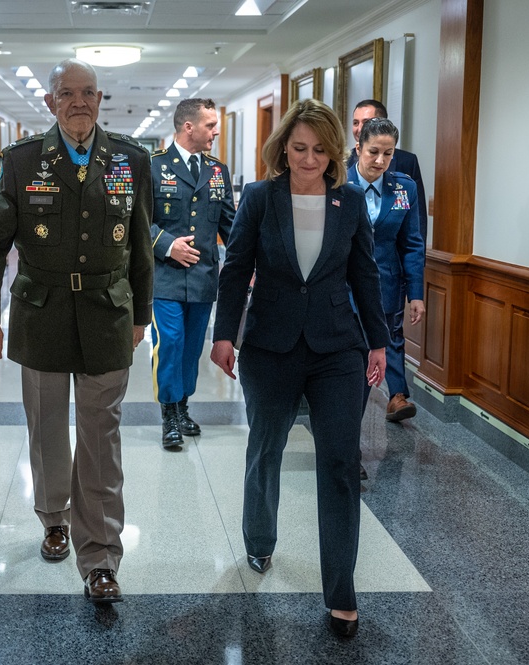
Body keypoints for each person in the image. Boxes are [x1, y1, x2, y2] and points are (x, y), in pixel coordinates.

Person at [0, 59, 152, 604]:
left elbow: (141, 246)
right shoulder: (21, 161)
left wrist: (141, 315)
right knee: (48, 428)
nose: (79, 101)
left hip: (107, 312)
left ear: (100, 100)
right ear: (50, 103)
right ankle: (54, 517)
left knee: (100, 439)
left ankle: (99, 558)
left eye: (88, 93)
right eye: (67, 93)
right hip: (40, 311)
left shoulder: (128, 159)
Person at [210, 99, 388, 638]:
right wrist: (224, 333)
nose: (308, 159)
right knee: (266, 446)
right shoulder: (262, 199)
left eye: (319, 150)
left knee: (339, 463)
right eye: (299, 147)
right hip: (271, 345)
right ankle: (260, 542)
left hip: (337, 349)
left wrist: (377, 342)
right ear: (283, 147)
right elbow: (236, 265)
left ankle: (341, 592)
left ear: (335, 153)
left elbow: (365, 275)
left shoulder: (350, 202)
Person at [150, 98, 235, 449]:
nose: (216, 131)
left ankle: (183, 406)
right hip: (165, 276)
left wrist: (259, 260)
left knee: (190, 349)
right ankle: (168, 414)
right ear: (189, 127)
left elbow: (232, 225)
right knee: (169, 341)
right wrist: (168, 245)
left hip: (203, 278)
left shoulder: (217, 171)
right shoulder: (152, 166)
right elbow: (136, 220)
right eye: (210, 125)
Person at [348, 117, 426, 422]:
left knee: (373, 359)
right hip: (343, 291)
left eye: (388, 153)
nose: (381, 160)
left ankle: (349, 444)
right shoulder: (337, 184)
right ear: (358, 148)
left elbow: (412, 244)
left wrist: (416, 293)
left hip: (386, 290)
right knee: (350, 368)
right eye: (373, 152)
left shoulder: (404, 189)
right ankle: (345, 445)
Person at [347, 99, 429, 244]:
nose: (359, 129)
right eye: (355, 123)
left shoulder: (406, 162)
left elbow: (417, 222)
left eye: (365, 122)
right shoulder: (342, 162)